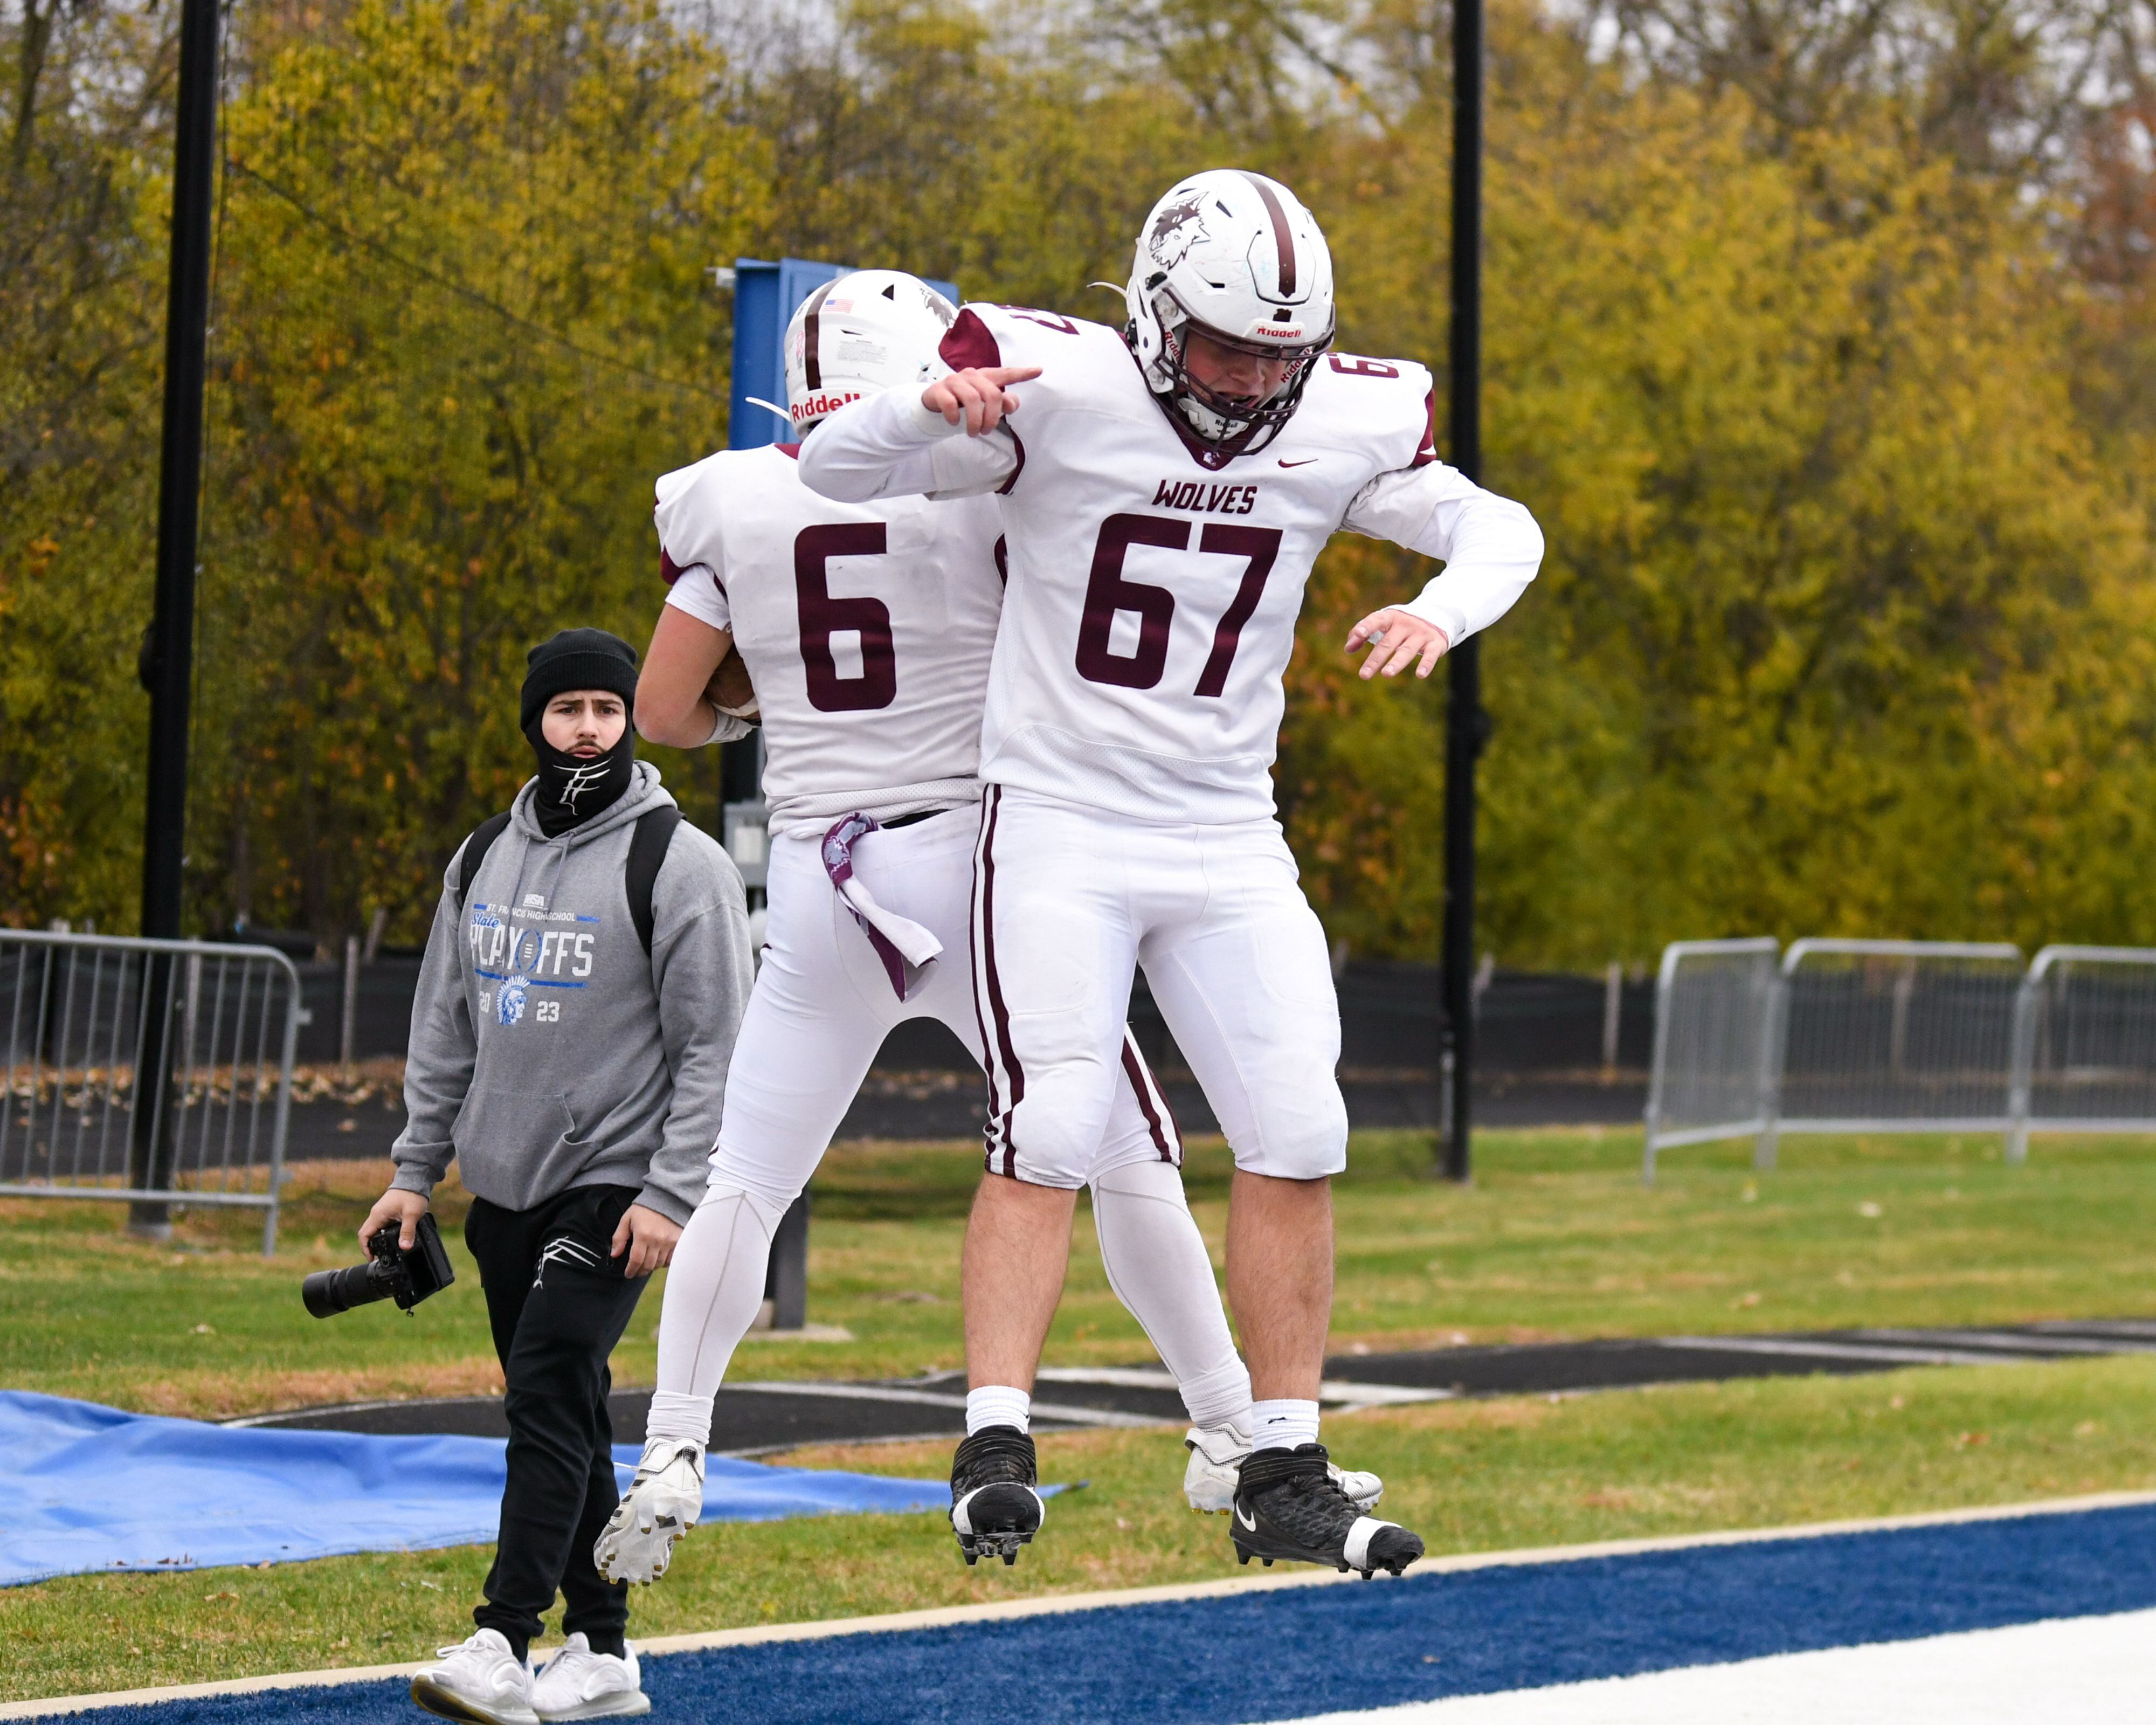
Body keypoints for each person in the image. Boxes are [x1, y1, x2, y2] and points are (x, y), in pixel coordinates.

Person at [798, 169, 1545, 1578]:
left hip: (1224, 826)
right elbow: (831, 473)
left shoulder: (1341, 414)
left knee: (1299, 1124)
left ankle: (1281, 1461)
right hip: (1063, 816)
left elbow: (1502, 530)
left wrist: (1441, 613)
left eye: (1281, 354)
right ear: (1152, 320)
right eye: (1223, 348)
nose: (1254, 381)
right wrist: (920, 411)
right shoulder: (1059, 385)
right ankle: (995, 1440)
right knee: (1057, 1118)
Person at [593, 270, 1380, 1585]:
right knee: (1118, 1151)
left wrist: (772, 696)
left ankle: (673, 1444)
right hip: (979, 855)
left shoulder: (726, 495)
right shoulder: (986, 473)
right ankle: (1232, 1432)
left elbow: (665, 711)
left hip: (820, 868)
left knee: (751, 1173)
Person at [361, 629, 755, 1724]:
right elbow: (445, 1026)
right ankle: (605, 1649)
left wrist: (671, 1192)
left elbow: (718, 1047)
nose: (587, 729)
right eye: (566, 709)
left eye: (607, 709)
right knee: (566, 1411)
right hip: (504, 1188)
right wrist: (412, 1174)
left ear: (634, 719)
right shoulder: (482, 854)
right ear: (533, 719)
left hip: (616, 1187)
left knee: (543, 1382)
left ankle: (502, 1633)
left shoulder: (681, 862)